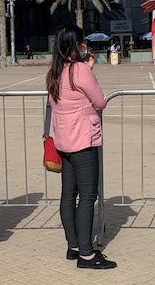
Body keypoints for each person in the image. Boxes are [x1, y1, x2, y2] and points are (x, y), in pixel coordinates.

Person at [46, 24, 115, 269]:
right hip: (83, 140)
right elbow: (100, 100)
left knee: (68, 195)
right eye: (82, 42)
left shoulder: (56, 71)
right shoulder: (79, 70)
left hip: (64, 141)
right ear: (77, 45)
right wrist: (88, 69)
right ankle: (86, 253)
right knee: (87, 196)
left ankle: (73, 245)